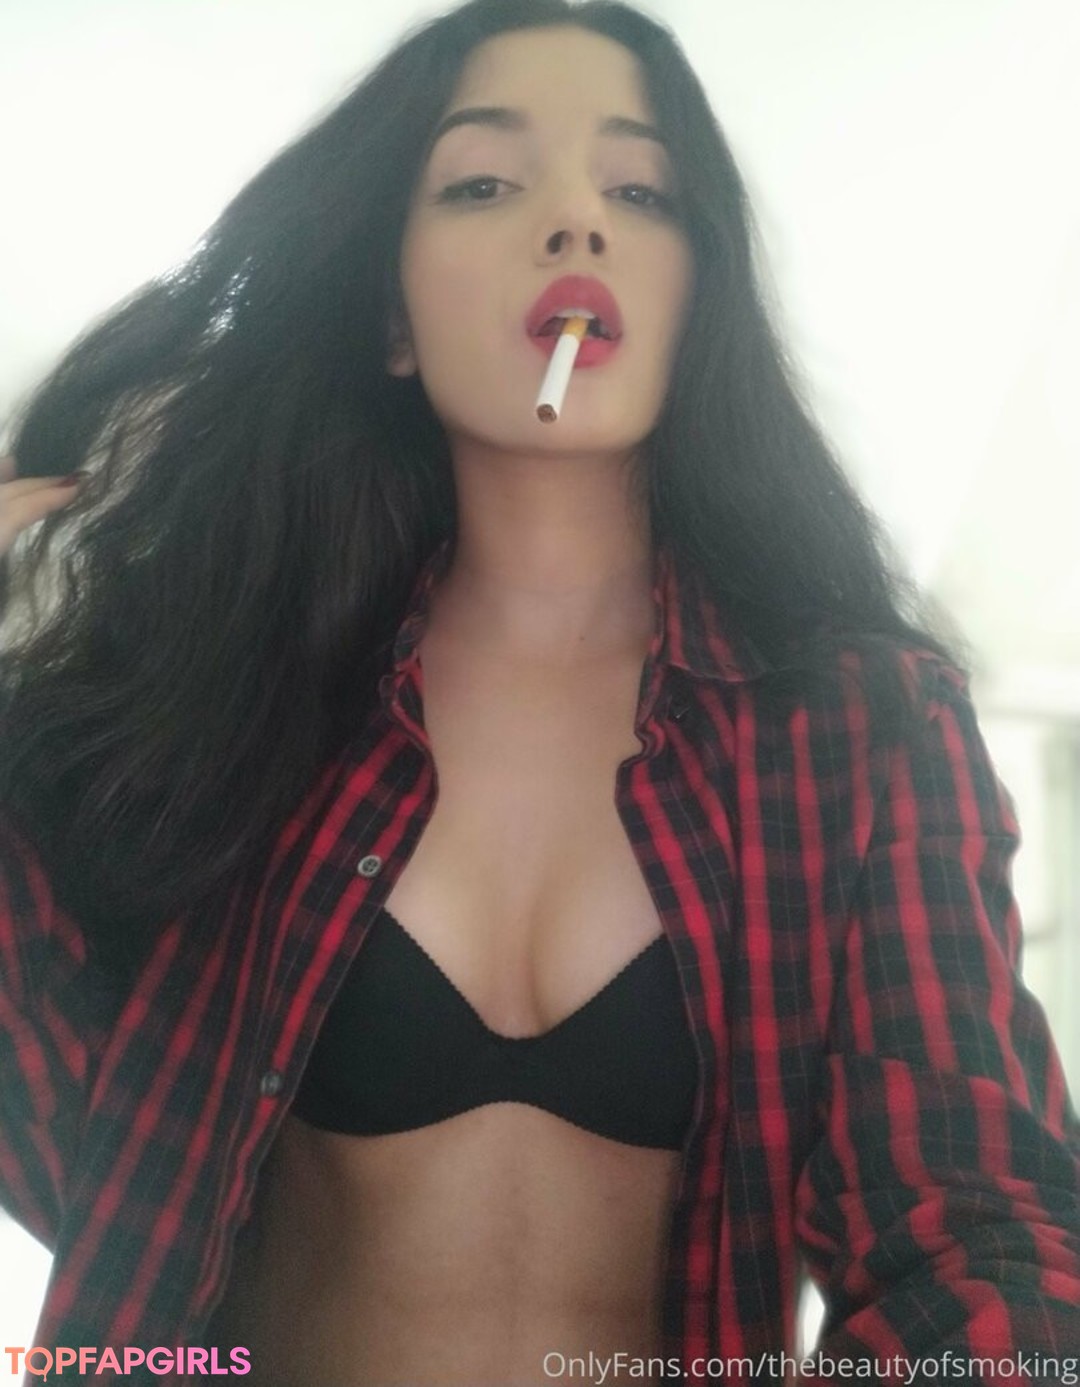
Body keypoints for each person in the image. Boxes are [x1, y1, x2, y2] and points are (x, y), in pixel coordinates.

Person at [1, 1, 1078, 1384]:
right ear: (393, 319)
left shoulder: (862, 726)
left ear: (699, 296)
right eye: (484, 184)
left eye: (640, 190)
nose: (576, 221)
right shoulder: (243, 702)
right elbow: (102, 1162)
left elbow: (973, 1219)